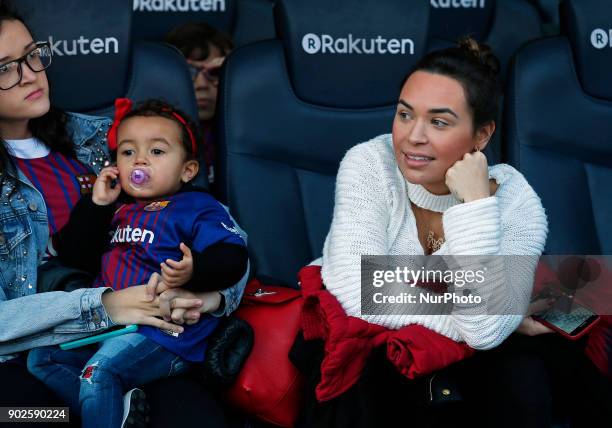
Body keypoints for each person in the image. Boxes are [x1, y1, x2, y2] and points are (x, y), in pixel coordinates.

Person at [0, 3, 246, 427]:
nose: (30, 73)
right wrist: (105, 305)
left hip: (146, 334)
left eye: (32, 54)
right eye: (4, 68)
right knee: (35, 419)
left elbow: (217, 230)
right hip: (30, 357)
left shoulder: (109, 139)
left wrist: (209, 296)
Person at [291, 38, 549, 428]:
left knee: (524, 374)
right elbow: (353, 286)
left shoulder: (516, 201)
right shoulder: (369, 162)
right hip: (374, 360)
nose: (413, 136)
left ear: (482, 136)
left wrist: (475, 205)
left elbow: (483, 332)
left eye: (439, 122)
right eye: (405, 114)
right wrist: (497, 312)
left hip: (466, 364)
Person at [26, 98, 248, 428]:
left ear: (188, 169)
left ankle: (105, 406)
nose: (139, 160)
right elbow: (74, 257)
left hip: (163, 334)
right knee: (41, 360)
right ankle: (120, 411)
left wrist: (195, 271)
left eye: (156, 152)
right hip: (108, 324)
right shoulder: (116, 211)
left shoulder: (198, 207)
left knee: (98, 373)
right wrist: (97, 204)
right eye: (127, 152)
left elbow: (233, 257)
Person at [165, 22, 233, 190]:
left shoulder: (249, 129)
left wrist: (234, 68)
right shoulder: (153, 132)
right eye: (189, 72)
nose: (202, 84)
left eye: (215, 72)